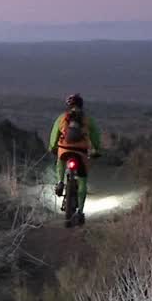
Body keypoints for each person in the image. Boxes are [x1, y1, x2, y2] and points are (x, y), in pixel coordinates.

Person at [47, 93, 102, 225]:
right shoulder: (88, 120)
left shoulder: (62, 118)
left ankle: (60, 182)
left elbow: (54, 134)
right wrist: (96, 150)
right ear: (81, 106)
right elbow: (95, 137)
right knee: (82, 180)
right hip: (81, 152)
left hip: (64, 149)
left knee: (60, 161)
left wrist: (52, 147)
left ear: (69, 106)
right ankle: (80, 213)